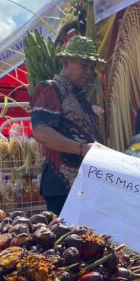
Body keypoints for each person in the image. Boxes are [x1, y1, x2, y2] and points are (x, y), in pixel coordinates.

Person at [30, 35, 105, 215]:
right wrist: (81, 148)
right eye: (83, 65)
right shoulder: (50, 88)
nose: (89, 71)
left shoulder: (79, 96)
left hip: (83, 184)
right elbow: (42, 132)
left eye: (92, 67)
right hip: (61, 183)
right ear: (65, 62)